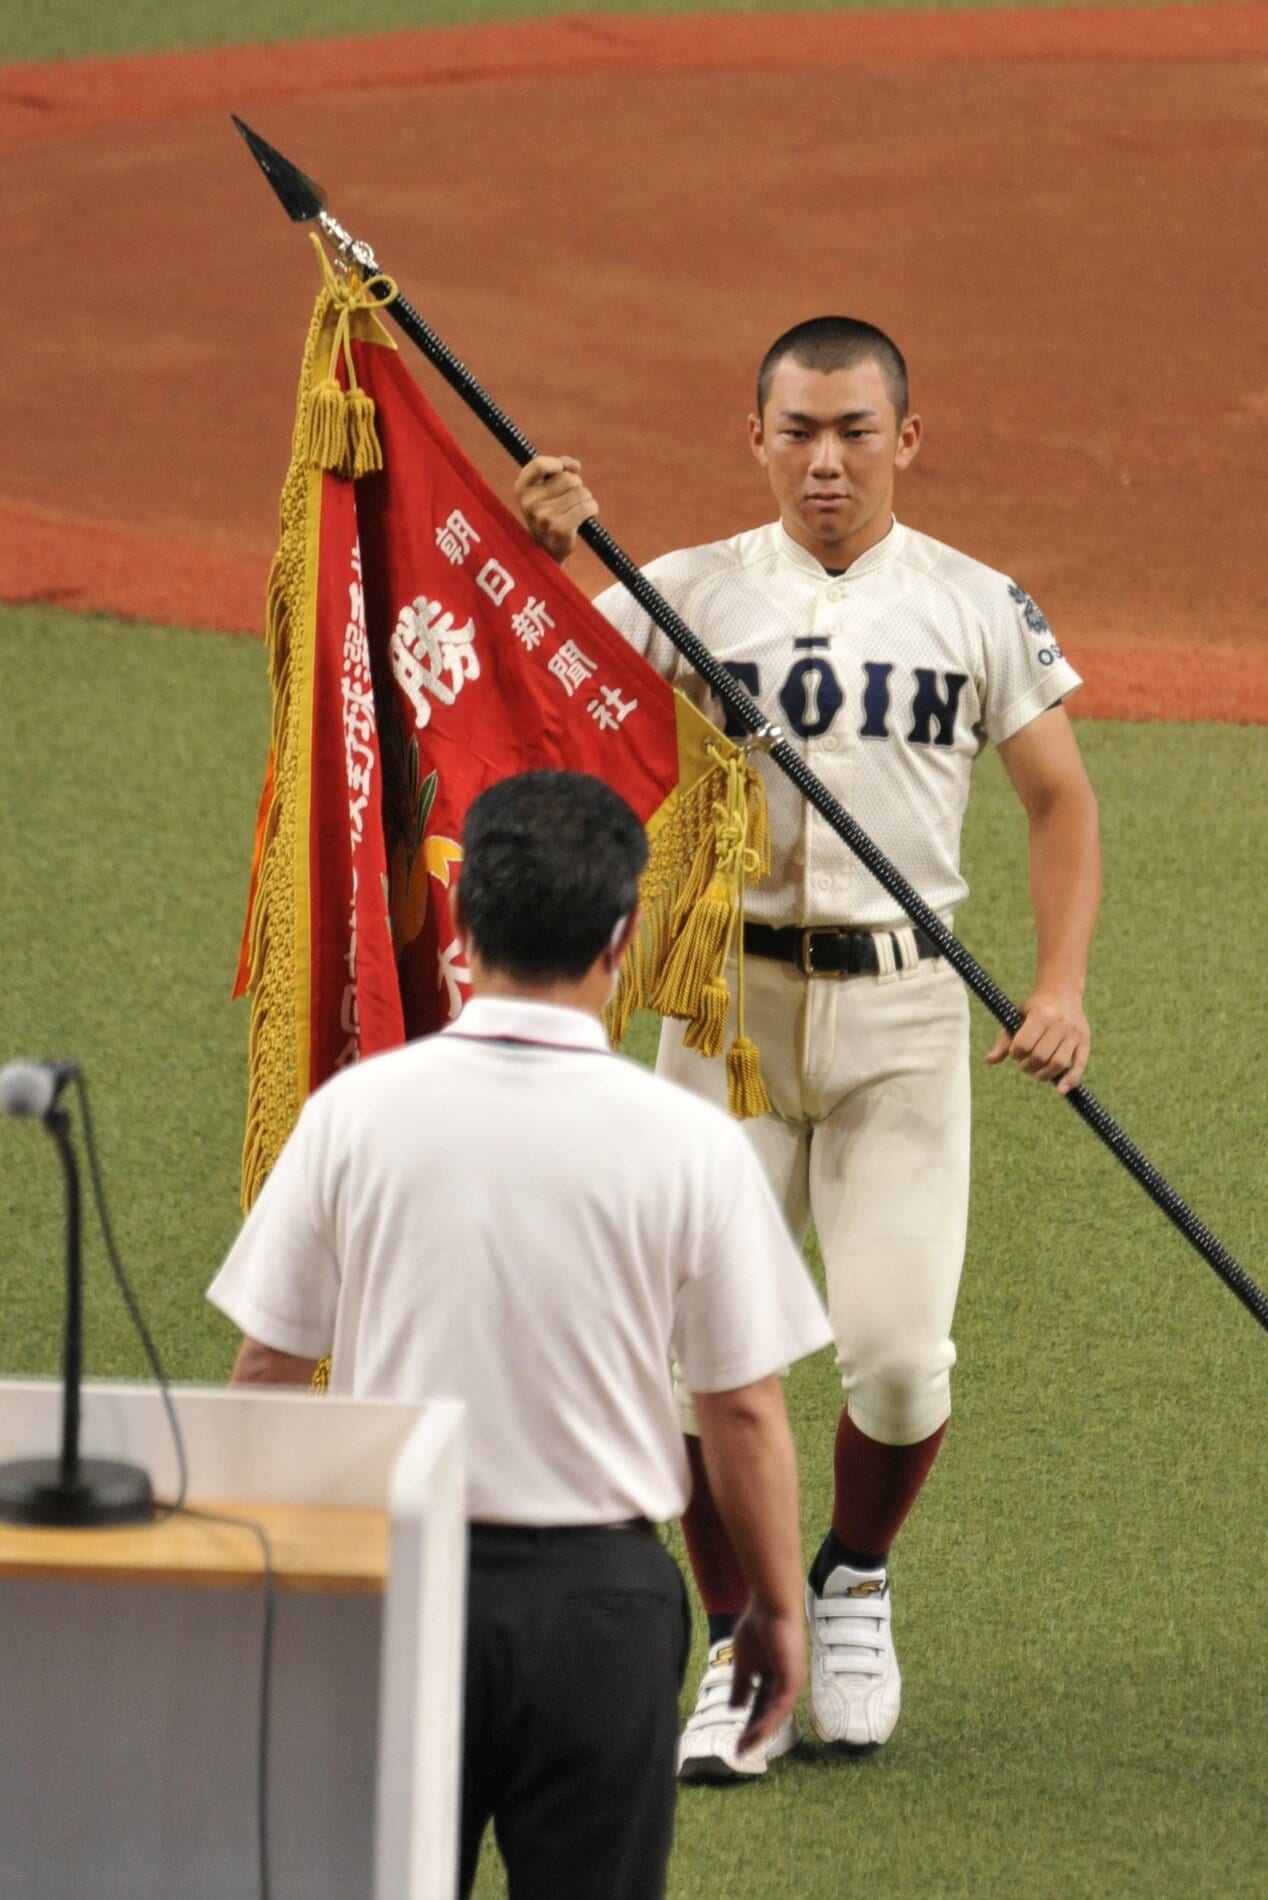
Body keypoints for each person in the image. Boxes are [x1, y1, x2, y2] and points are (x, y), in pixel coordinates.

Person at [513, 318, 1103, 1780]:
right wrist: (552, 561)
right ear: (755, 437)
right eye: (798, 432)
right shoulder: (686, 591)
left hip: (905, 1024)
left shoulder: (975, 604)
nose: (825, 463)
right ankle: (740, 1638)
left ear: (908, 438)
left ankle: (848, 1581)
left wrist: (1063, 984)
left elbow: (1060, 803)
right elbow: (551, 710)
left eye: (854, 431)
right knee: (684, 1366)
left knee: (899, 1367)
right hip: (722, 1019)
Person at [206, 770, 833, 1898]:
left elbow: (268, 1368)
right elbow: (741, 1407)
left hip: (394, 1592)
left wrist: (264, 1583)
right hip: (599, 1611)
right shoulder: (691, 1144)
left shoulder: (355, 1112)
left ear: (462, 920)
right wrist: (777, 1611)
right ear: (623, 936)